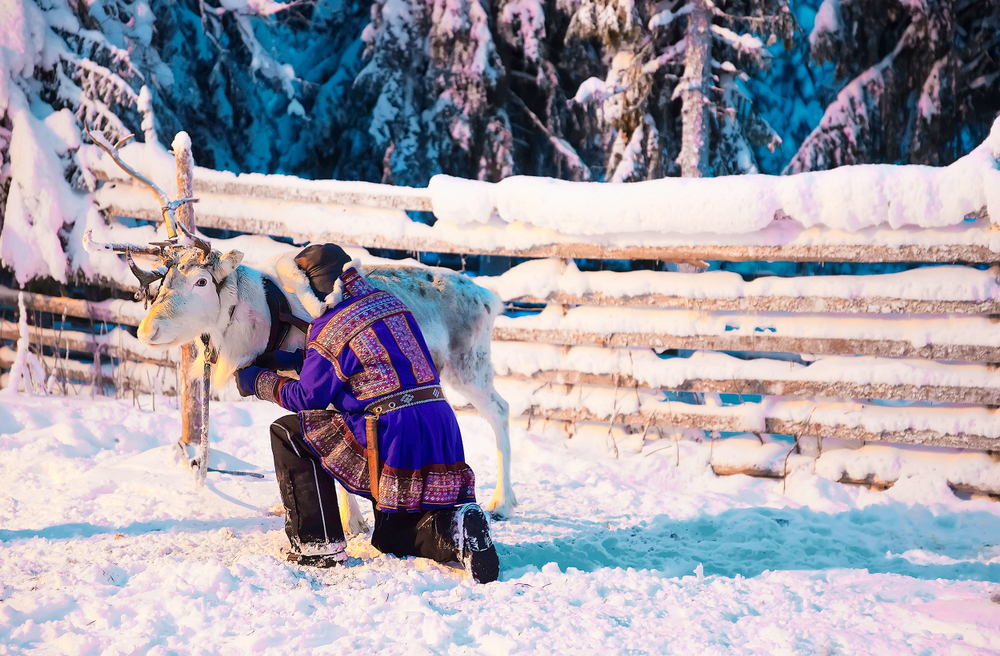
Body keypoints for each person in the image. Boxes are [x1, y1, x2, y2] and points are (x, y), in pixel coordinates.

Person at [235, 244, 500, 584]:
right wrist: (293, 362)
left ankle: (318, 544)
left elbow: (308, 396)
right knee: (390, 536)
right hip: (438, 423)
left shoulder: (331, 326)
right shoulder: (390, 304)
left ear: (312, 290)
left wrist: (258, 381)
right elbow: (370, 362)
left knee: (289, 433)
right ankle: (456, 528)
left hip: (391, 431)